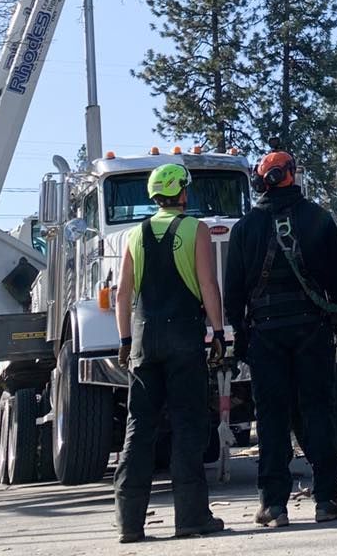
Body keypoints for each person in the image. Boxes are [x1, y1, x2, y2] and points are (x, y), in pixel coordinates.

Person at [224, 148, 337, 528]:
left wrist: (243, 335)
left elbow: (233, 294)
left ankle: (273, 504)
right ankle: (328, 498)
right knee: (317, 411)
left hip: (266, 335)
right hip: (312, 331)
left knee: (273, 418)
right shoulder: (318, 219)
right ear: (292, 175)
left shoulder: (245, 228)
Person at [113, 162, 226, 544]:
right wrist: (218, 331)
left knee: (138, 428)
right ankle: (191, 517)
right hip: (183, 338)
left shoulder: (133, 235)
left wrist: (126, 341)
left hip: (144, 340)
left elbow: (123, 294)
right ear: (182, 192)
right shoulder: (197, 229)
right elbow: (208, 284)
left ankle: (130, 523)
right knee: (188, 426)